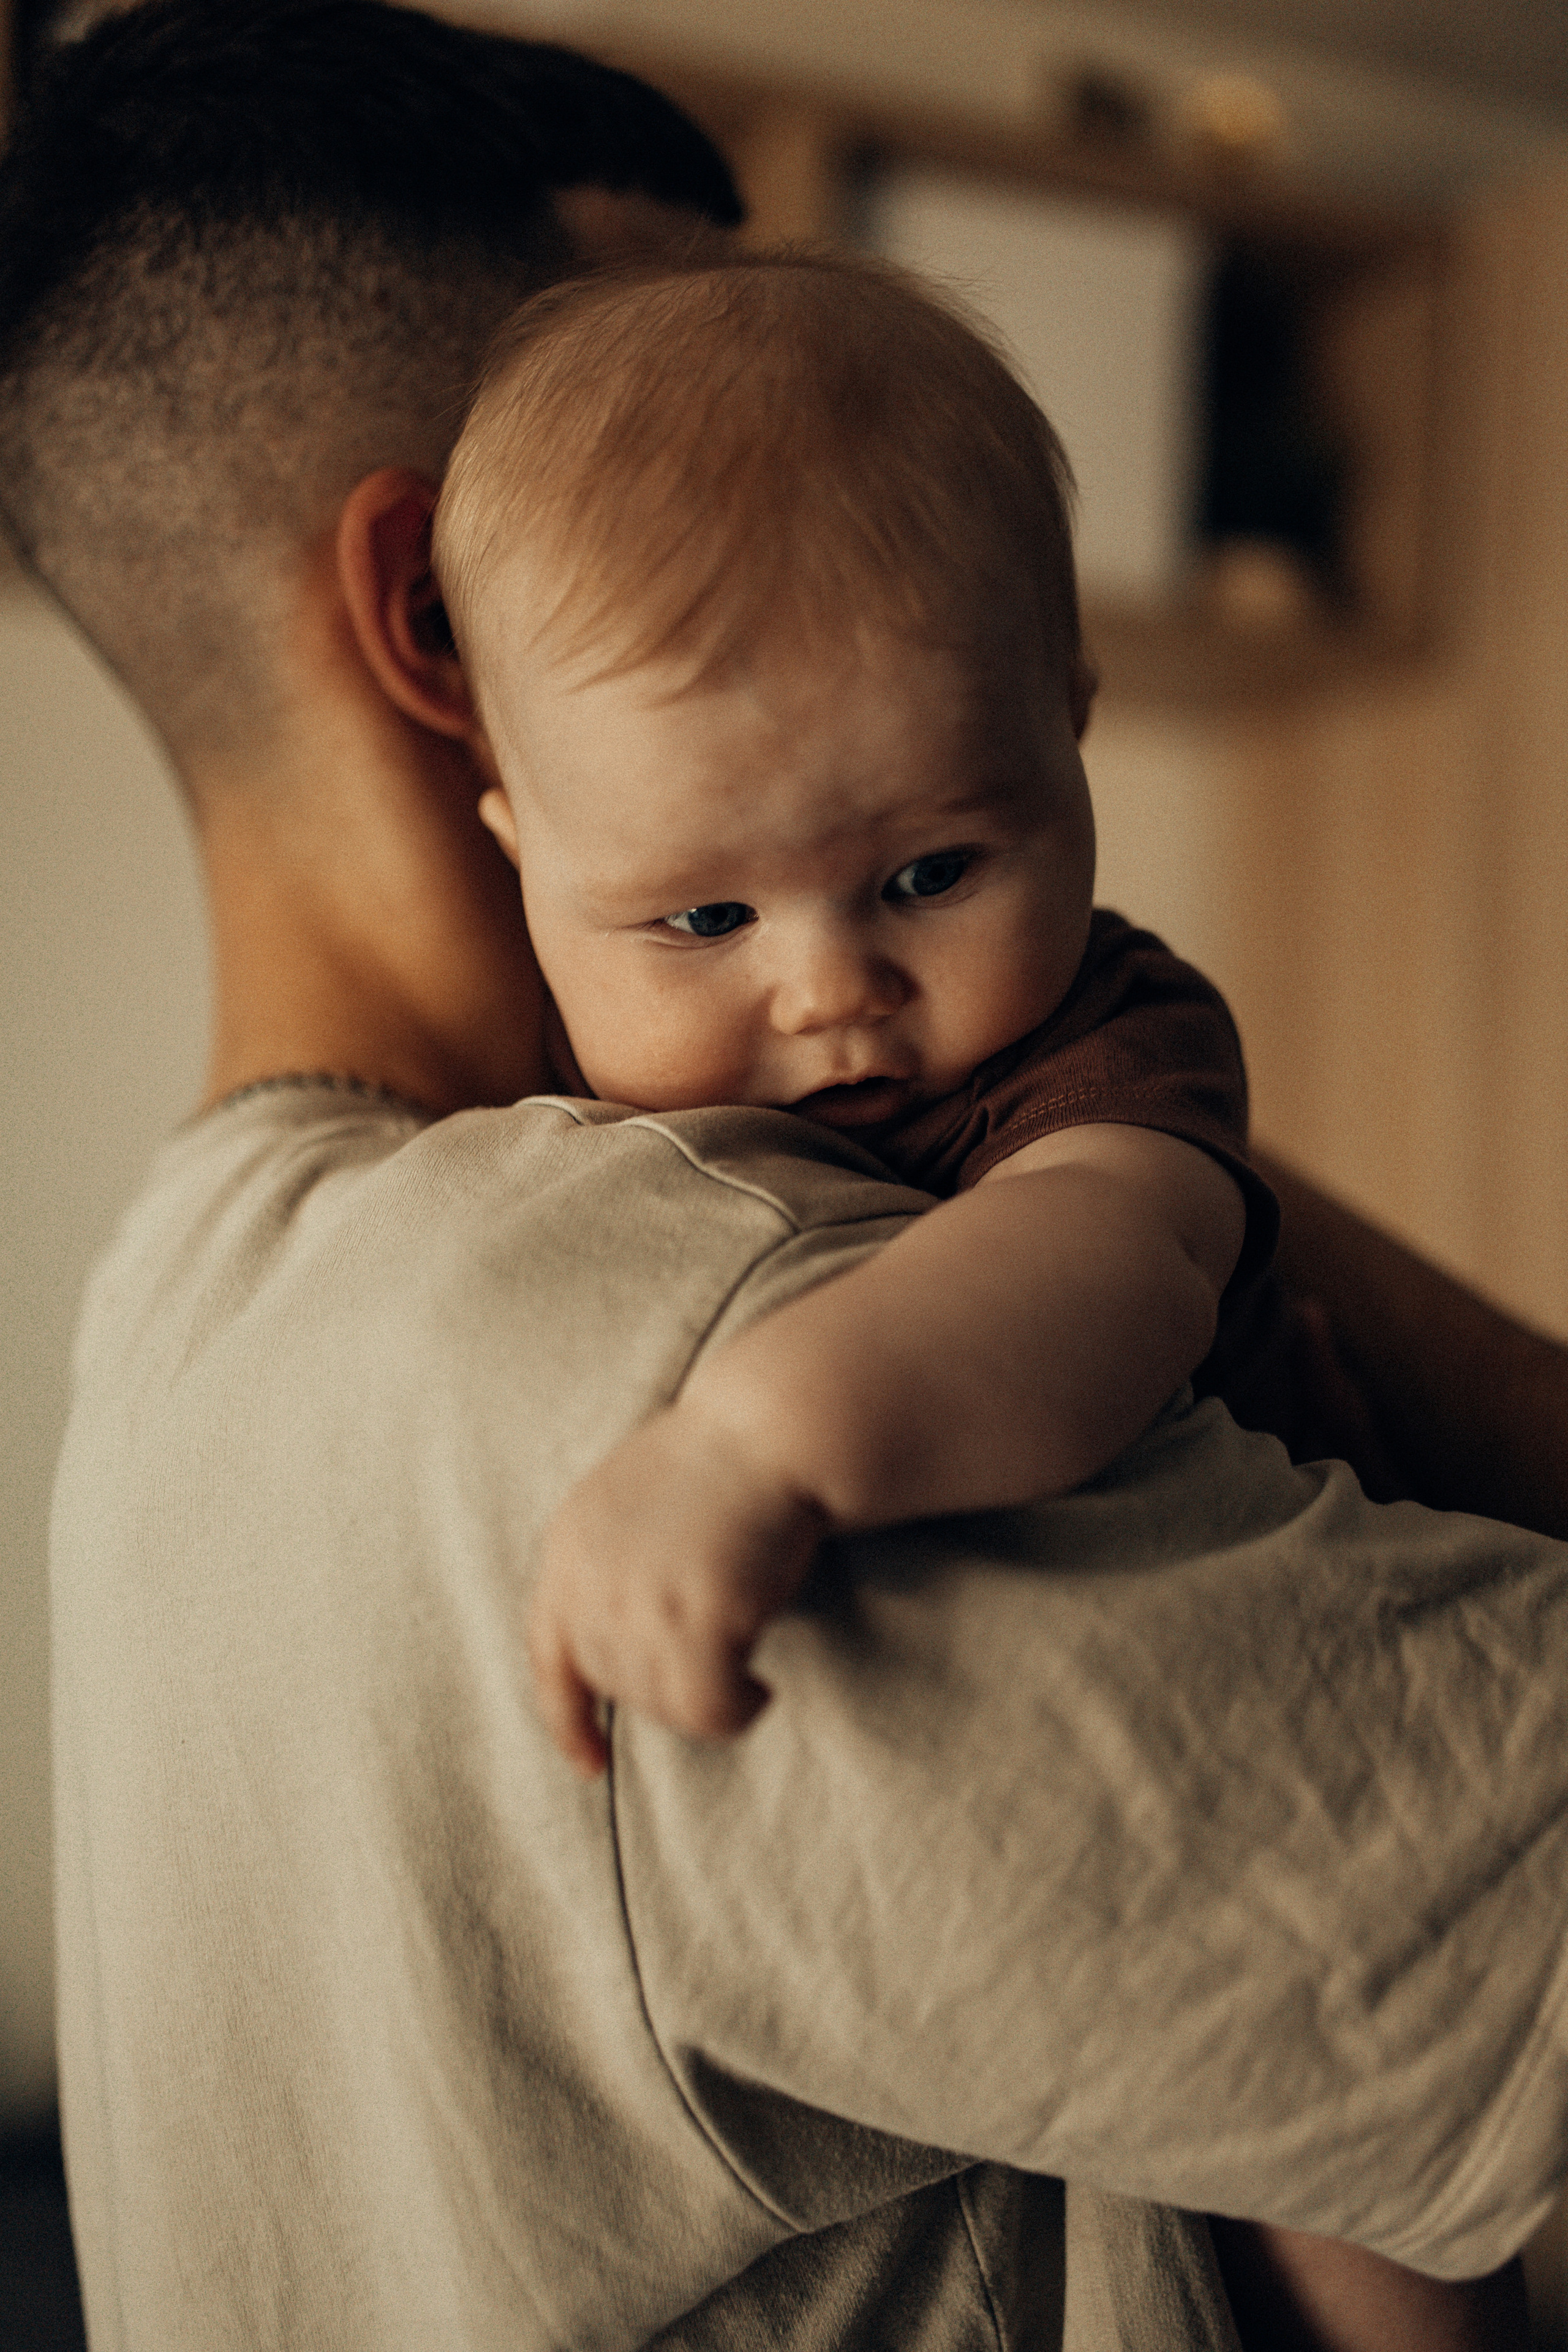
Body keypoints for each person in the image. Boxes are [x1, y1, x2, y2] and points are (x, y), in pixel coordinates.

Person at [4, 4, 1560, 2348]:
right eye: (641, 383)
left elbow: (1126, 1201)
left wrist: (1115, 1124)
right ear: (443, 621)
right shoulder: (697, 1344)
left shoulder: (172, 1331)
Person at [432, 249, 1274, 1776]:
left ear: (1069, 722)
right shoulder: (508, 1086)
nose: (830, 992)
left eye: (930, 872)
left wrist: (752, 1444)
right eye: (705, 920)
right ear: (521, 853)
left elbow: (1100, 1271)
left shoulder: (1106, 1040)